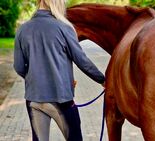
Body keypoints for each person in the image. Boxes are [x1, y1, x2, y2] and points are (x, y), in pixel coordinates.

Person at [13, 0, 105, 141]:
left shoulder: (22, 29)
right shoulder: (64, 28)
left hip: (34, 99)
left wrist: (37, 80)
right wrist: (102, 79)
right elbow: (82, 60)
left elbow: (19, 67)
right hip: (60, 99)